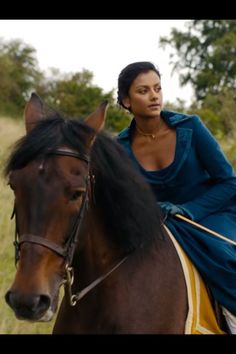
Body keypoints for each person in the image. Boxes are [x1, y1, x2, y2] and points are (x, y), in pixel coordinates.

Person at [116, 61, 236, 334]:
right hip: (158, 221)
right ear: (125, 100)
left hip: (210, 214)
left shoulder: (190, 128)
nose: (154, 96)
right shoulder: (118, 147)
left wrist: (188, 209)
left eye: (157, 88)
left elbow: (229, 182)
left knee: (220, 253)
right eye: (143, 91)